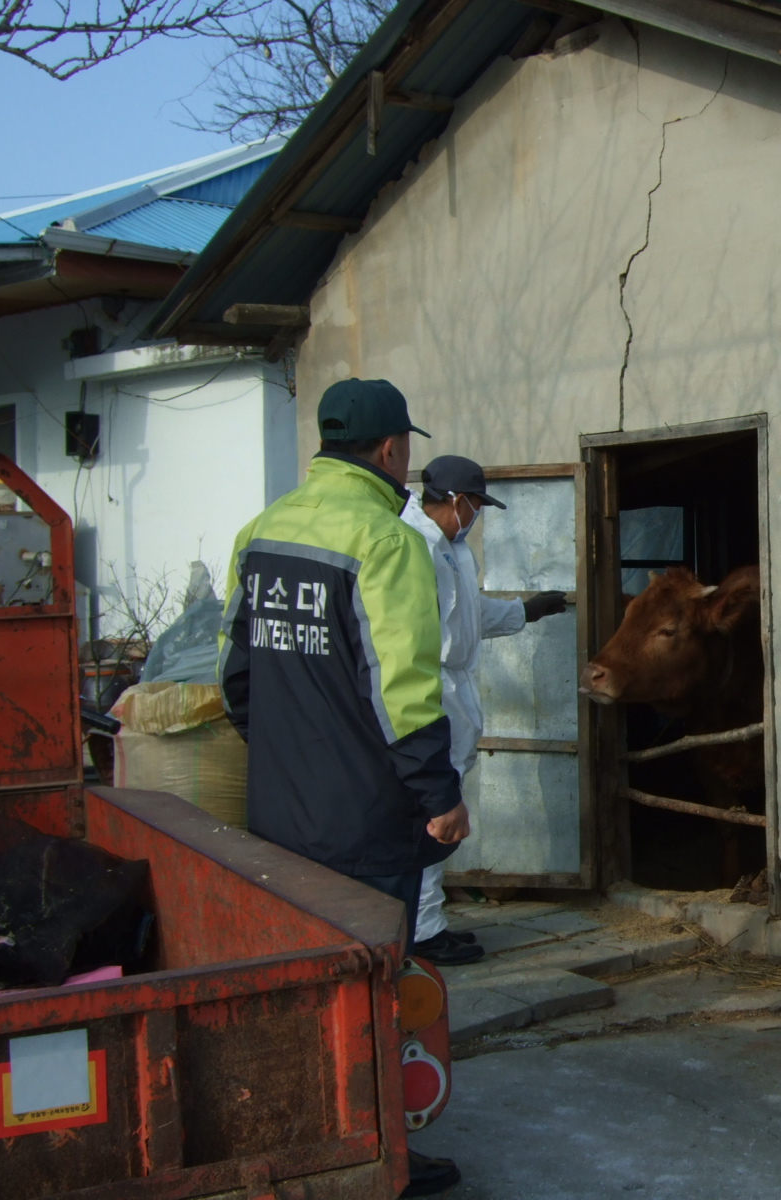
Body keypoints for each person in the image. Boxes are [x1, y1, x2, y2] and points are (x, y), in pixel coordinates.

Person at [218, 377, 466, 1199]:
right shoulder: (387, 542)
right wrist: (439, 796)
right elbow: (405, 693)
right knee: (374, 992)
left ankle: (311, 1143)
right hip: (365, 824)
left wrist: (288, 760)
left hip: (278, 819)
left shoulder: (263, 531)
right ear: (392, 449)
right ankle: (378, 1159)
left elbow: (236, 679)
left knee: (301, 991)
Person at [400, 454, 569, 965]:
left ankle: (427, 923)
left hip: (453, 688)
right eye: (476, 505)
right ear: (457, 501)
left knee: (441, 812)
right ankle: (421, 931)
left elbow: (469, 617)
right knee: (432, 814)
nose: (477, 516)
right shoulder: (412, 545)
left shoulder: (452, 549)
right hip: (427, 687)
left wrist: (524, 611)